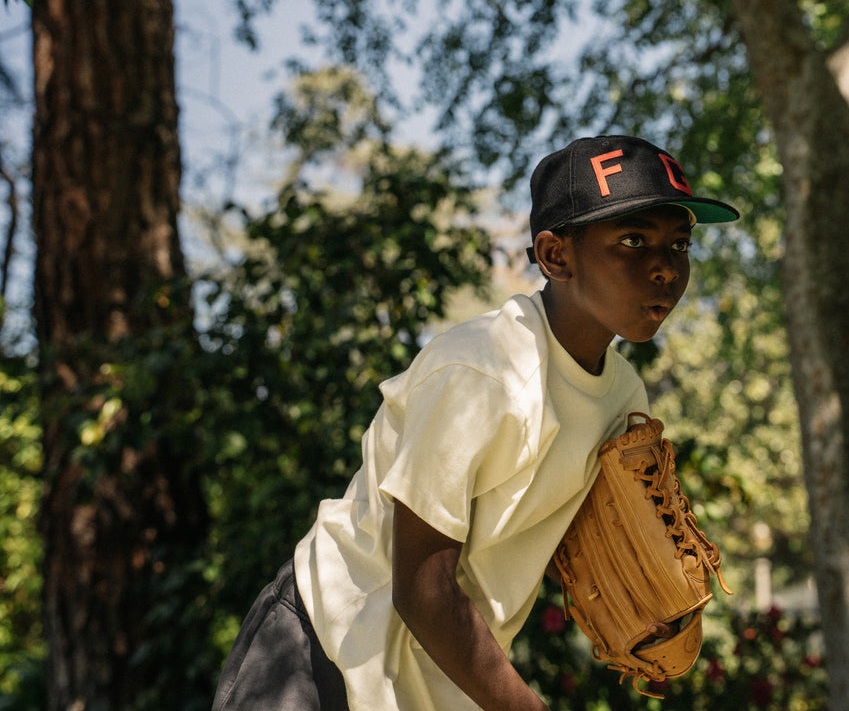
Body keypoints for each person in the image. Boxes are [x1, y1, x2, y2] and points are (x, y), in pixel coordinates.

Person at [211, 134, 740, 711]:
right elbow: (422, 587)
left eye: (680, 243)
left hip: (437, 684)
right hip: (322, 654)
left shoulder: (623, 395)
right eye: (633, 240)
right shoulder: (484, 369)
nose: (665, 267)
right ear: (555, 255)